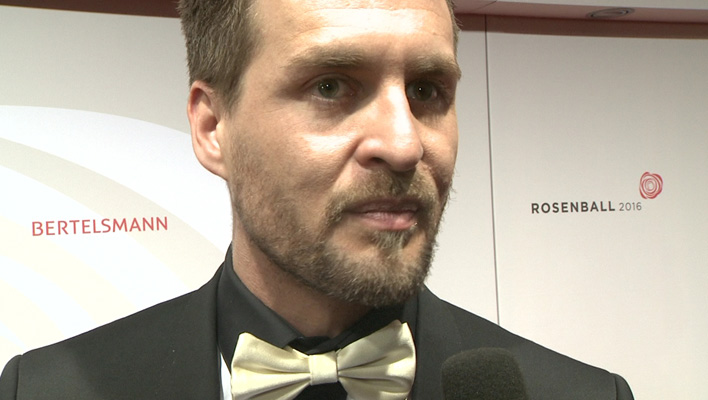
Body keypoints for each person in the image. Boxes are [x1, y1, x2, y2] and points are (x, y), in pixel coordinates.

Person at [0, 0, 634, 398]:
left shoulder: (581, 395)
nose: (404, 144)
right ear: (213, 127)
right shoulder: (48, 391)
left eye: (427, 90)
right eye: (331, 85)